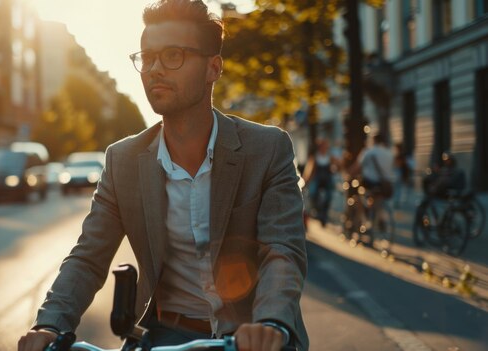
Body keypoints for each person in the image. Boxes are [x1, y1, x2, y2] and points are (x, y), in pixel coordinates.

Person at [18, 1, 308, 351]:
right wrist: (49, 325)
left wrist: (271, 323)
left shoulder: (267, 149)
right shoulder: (122, 160)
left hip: (250, 337)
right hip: (164, 337)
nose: (154, 68)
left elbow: (283, 251)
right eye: (147, 57)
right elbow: (88, 258)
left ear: (213, 68)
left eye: (173, 55)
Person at [302, 139, 340, 226]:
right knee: (313, 192)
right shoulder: (315, 157)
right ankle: (317, 210)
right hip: (317, 179)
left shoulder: (330, 157)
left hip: (327, 180)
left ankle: (324, 215)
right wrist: (305, 181)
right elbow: (309, 170)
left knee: (329, 195)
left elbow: (338, 166)